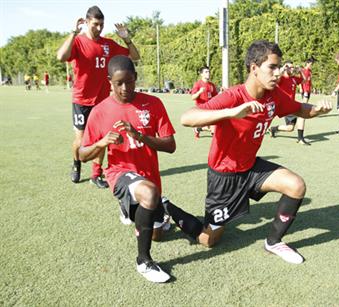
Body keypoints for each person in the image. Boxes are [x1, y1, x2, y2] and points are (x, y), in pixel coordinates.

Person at [180, 40, 332, 264]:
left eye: (279, 67)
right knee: (208, 240)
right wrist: (232, 113)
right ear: (254, 68)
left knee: (296, 185)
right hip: (225, 175)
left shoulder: (274, 95)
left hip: (251, 168)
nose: (278, 73)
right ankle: (165, 207)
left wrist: (317, 110)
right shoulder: (233, 96)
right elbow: (187, 118)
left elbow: (299, 109)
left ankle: (274, 241)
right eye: (272, 67)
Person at [79, 55, 178, 283]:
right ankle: (143, 261)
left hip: (148, 175)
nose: (125, 88)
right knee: (149, 193)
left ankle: (132, 209)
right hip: (119, 173)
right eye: (119, 83)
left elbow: (170, 145)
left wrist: (140, 136)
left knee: (157, 233)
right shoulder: (100, 111)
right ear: (109, 82)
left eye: (130, 81)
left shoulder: (152, 104)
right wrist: (101, 143)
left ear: (135, 78)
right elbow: (82, 155)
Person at [56, 5, 140, 188]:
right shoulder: (78, 42)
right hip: (81, 100)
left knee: (102, 138)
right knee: (80, 140)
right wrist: (72, 32)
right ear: (86, 22)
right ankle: (77, 163)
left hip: (102, 102)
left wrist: (126, 39)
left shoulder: (108, 44)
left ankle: (96, 173)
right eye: (95, 24)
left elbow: (135, 56)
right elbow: (61, 56)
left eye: (102, 24)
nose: (99, 28)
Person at [269, 60, 310, 145]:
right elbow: (276, 77)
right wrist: (282, 69)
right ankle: (300, 139)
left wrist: (301, 71)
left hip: (291, 105)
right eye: (289, 67)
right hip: (283, 105)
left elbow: (305, 80)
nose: (292, 69)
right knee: (302, 116)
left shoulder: (294, 78)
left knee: (290, 128)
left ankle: (274, 129)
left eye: (292, 67)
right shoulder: (282, 78)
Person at [190, 66, 218, 138]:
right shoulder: (198, 84)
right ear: (201, 74)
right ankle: (199, 129)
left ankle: (198, 129)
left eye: (209, 72)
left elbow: (216, 97)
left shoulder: (212, 85)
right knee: (213, 128)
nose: (208, 73)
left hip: (210, 108)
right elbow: (193, 97)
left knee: (214, 127)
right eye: (206, 72)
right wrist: (199, 92)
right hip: (201, 109)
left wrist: (222, 92)